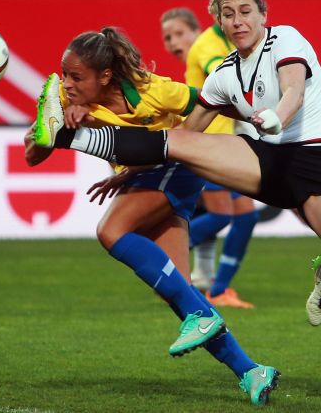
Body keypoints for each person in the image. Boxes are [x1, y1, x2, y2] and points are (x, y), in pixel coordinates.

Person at [30, 0, 321, 328]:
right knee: (179, 142)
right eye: (228, 14)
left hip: (319, 156)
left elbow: (294, 91)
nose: (238, 20)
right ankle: (66, 137)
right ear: (219, 23)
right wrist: (130, 172)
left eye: (245, 11)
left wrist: (276, 118)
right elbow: (182, 136)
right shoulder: (223, 76)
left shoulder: (285, 38)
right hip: (264, 161)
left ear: (262, 15)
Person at [24, 27, 279, 406]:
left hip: (177, 167)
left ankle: (209, 323)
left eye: (77, 77)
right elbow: (32, 152)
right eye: (65, 74)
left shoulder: (152, 90)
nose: (68, 83)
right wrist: (59, 126)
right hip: (147, 177)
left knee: (111, 230)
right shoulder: (62, 98)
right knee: (181, 296)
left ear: (105, 76)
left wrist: (265, 116)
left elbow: (207, 102)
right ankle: (251, 371)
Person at [160, 7, 259, 309]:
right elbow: (223, 75)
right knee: (220, 215)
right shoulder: (206, 47)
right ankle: (163, 263)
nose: (174, 42)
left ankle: (217, 290)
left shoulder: (222, 43)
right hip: (206, 145)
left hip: (224, 143)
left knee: (246, 215)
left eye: (178, 33)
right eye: (168, 37)